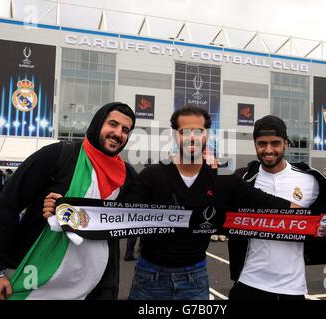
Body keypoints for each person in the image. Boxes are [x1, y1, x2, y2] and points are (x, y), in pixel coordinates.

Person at [42, 106, 300, 300]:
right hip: (149, 279)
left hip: (196, 280)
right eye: (184, 132)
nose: (191, 138)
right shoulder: (153, 175)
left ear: (206, 136)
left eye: (198, 132)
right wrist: (68, 208)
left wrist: (309, 215)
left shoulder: (222, 177)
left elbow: (261, 201)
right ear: (174, 135)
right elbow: (115, 211)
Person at [0, 102, 137, 300]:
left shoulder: (128, 175)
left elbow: (139, 214)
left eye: (125, 130)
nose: (118, 133)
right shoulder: (57, 155)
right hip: (40, 276)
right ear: (98, 123)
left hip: (93, 283)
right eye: (113, 124)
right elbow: (7, 206)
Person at [228, 115, 326, 300]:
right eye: (262, 143)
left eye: (275, 143)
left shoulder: (310, 179)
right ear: (255, 144)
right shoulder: (243, 180)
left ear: (286, 143)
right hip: (248, 282)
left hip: (293, 288)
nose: (268, 150)